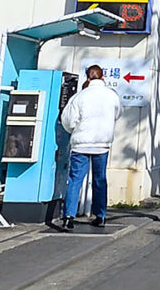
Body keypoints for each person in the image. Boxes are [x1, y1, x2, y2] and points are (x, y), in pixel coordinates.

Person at [57, 64, 121, 231]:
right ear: (102, 77)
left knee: (75, 180)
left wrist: (73, 131)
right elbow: (117, 114)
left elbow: (68, 119)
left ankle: (68, 217)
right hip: (102, 144)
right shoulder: (112, 96)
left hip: (81, 143)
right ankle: (100, 216)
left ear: (87, 77)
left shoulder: (80, 96)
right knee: (100, 180)